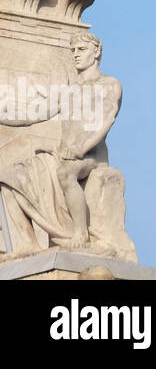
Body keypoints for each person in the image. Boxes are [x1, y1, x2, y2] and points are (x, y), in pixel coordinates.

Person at [0, 33, 121, 255]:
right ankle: (28, 242)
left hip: (90, 157)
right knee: (9, 177)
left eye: (81, 50)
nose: (75, 55)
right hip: (62, 154)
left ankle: (80, 232)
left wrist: (80, 149)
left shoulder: (109, 84)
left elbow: (105, 122)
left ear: (96, 52)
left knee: (66, 173)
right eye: (73, 50)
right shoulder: (69, 90)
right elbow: (34, 113)